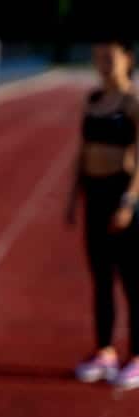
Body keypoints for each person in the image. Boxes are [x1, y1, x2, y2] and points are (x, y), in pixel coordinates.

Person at [67, 37, 139, 391]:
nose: (103, 64)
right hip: (94, 196)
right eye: (98, 57)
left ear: (127, 58)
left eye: (110, 57)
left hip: (122, 194)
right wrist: (72, 197)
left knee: (132, 279)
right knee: (101, 277)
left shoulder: (134, 101)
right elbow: (83, 149)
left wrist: (129, 201)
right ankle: (105, 350)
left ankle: (137, 356)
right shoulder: (93, 100)